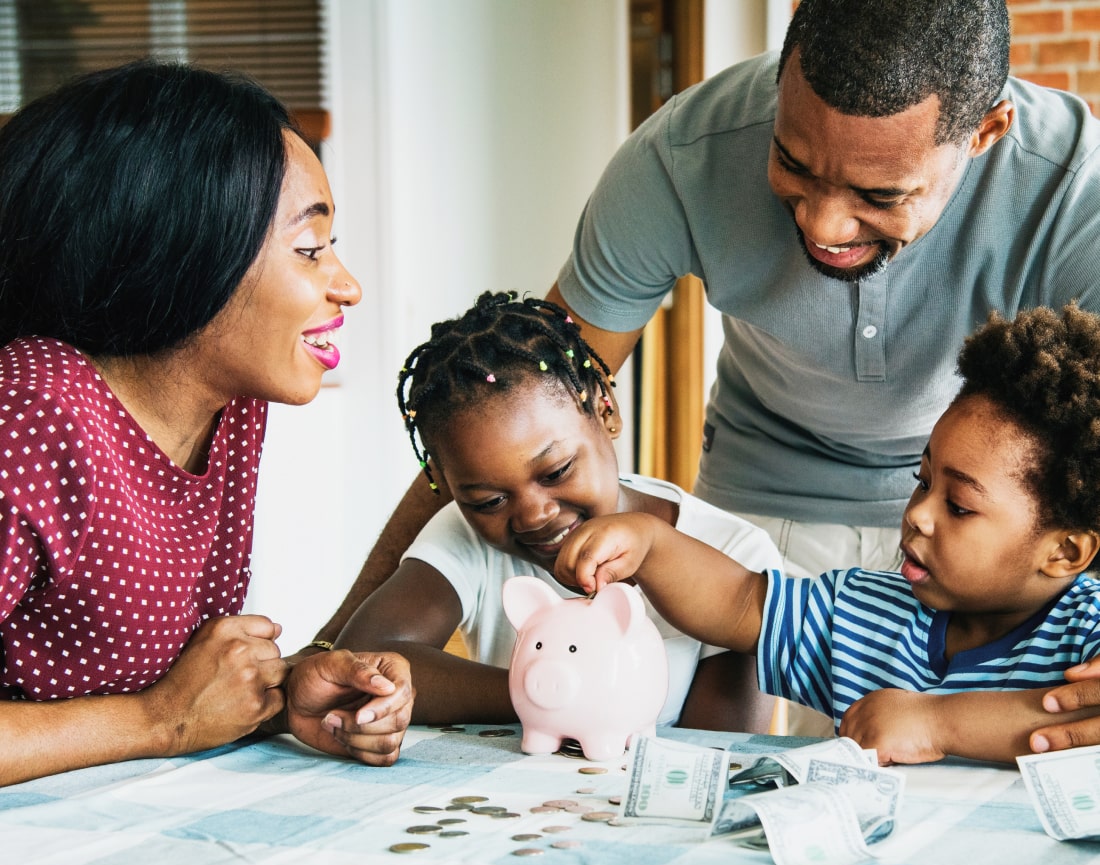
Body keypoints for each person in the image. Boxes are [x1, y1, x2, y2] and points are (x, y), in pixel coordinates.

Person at [311, 0, 1100, 742]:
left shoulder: (1075, 192)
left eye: (877, 193)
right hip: (765, 510)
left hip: (996, 526)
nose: (824, 225)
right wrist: (334, 638)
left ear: (987, 131)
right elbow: (506, 404)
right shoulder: (680, 159)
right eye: (793, 163)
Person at [0, 61, 411, 786]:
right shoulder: (33, 408)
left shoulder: (231, 409)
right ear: (183, 249)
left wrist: (282, 696)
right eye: (310, 249)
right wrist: (161, 722)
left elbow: (166, 683)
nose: (346, 285)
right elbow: (160, 711)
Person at [553, 304, 1100, 765]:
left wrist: (936, 724)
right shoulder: (863, 612)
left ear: (1065, 551)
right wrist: (651, 544)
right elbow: (740, 602)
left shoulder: (1088, 632)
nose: (918, 515)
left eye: (958, 506)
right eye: (923, 480)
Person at [328, 291, 782, 733]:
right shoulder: (465, 532)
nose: (533, 516)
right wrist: (541, 692)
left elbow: (719, 747)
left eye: (557, 471)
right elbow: (362, 661)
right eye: (489, 501)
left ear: (605, 410)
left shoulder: (734, 553)